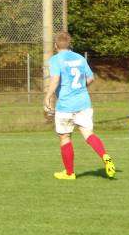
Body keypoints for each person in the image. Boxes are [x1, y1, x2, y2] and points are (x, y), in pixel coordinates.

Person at [43, 32, 115, 180]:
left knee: (65, 137)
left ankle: (69, 173)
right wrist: (80, 88)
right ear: (69, 44)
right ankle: (105, 156)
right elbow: (90, 78)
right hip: (83, 103)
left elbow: (55, 79)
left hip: (65, 105)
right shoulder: (80, 58)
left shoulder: (55, 59)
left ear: (55, 45)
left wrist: (47, 96)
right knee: (88, 134)